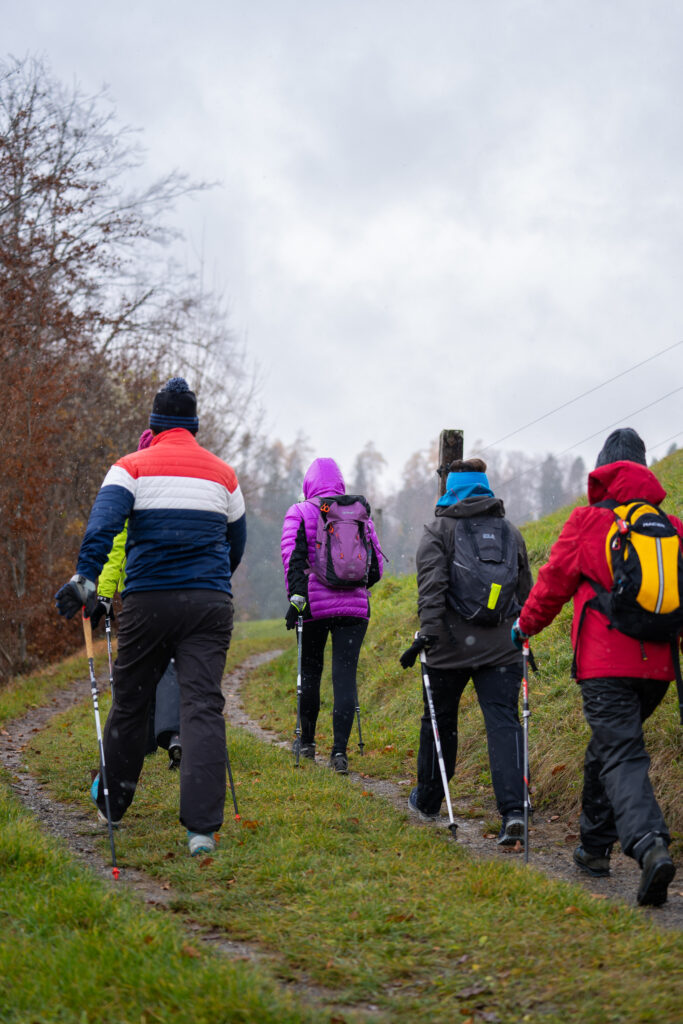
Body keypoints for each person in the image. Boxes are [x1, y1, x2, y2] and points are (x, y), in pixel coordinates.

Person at [55, 377, 246, 857]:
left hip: (148, 601)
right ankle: (202, 830)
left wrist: (86, 579)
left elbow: (103, 527)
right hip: (209, 603)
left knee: (132, 700)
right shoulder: (224, 475)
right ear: (194, 424)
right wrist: (210, 582)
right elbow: (237, 543)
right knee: (202, 706)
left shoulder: (129, 468)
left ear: (154, 422)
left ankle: (112, 806)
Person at [512, 427, 681, 906]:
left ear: (604, 469)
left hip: (606, 665)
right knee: (607, 749)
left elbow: (551, 585)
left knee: (620, 754)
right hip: (660, 669)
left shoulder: (589, 521)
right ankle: (592, 849)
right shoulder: (670, 527)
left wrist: (524, 628)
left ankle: (650, 846)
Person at [402, 458, 533, 846]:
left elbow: (432, 593)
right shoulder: (510, 532)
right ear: (485, 487)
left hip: (449, 646)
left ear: (450, 488)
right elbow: (525, 592)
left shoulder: (437, 531)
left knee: (440, 722)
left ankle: (428, 799)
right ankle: (513, 810)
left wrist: (428, 635)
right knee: (504, 723)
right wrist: (524, 635)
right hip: (503, 646)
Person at [280, 457, 384, 773]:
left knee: (310, 672)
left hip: (313, 605)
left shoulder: (300, 512)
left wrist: (297, 599)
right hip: (354, 609)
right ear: (340, 483)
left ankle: (307, 743)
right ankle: (339, 753)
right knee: (345, 675)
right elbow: (376, 567)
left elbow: (292, 561)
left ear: (309, 483)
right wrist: (353, 586)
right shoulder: (357, 514)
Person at [90, 428, 182, 770]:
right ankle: (174, 734)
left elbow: (115, 552)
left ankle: (141, 739)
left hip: (140, 596)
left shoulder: (132, 493)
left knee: (141, 667)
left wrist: (104, 594)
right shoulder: (176, 494)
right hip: (181, 592)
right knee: (172, 663)